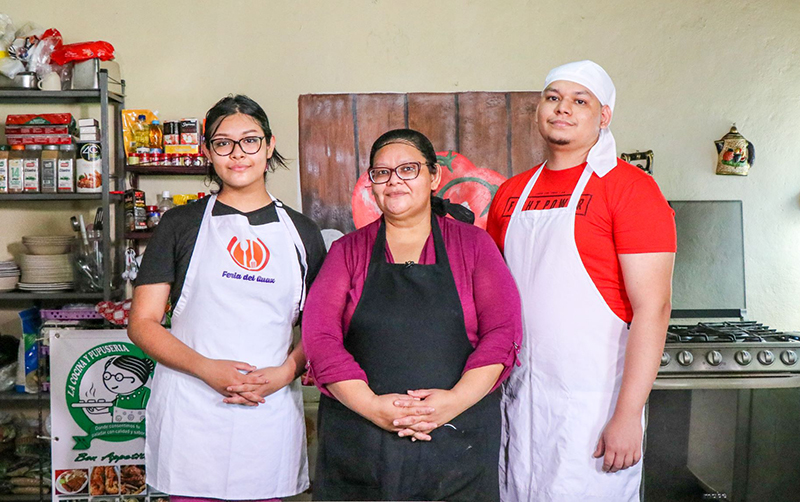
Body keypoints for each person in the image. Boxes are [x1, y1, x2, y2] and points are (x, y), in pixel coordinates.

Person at [487, 61, 676, 502]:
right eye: (553, 98)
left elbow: (654, 307)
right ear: (539, 110)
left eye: (579, 100)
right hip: (518, 395)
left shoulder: (631, 189)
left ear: (603, 115)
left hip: (595, 403)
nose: (562, 109)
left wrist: (628, 414)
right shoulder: (510, 192)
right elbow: (494, 295)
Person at [302, 129, 522, 501]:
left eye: (408, 169)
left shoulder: (474, 246)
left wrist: (451, 403)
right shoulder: (346, 251)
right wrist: (371, 406)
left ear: (433, 176)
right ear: (371, 183)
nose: (394, 181)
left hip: (457, 439)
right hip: (361, 441)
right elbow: (320, 338)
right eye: (382, 172)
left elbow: (503, 333)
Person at [128, 95, 326, 501]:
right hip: (192, 410)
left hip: (267, 414)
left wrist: (287, 372)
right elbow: (142, 324)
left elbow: (319, 328)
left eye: (250, 140)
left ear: (269, 146)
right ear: (207, 151)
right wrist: (206, 368)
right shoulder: (179, 225)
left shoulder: (303, 233)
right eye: (223, 143)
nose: (238, 154)